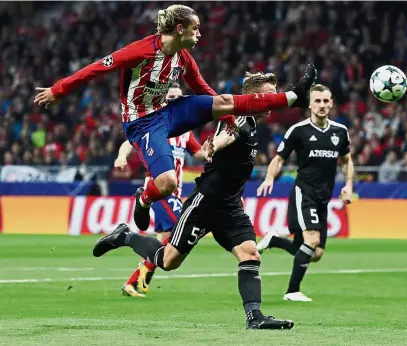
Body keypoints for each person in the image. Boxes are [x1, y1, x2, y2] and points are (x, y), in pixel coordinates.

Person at [33, 4, 317, 232]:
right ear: (180, 29)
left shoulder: (182, 56)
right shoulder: (140, 51)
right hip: (142, 121)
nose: (199, 35)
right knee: (167, 183)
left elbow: (201, 88)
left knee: (224, 100)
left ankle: (294, 96)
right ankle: (144, 200)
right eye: (196, 29)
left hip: (171, 111)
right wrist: (59, 89)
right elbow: (96, 69)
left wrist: (227, 115)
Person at [92, 72, 295, 330]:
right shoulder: (239, 119)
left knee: (250, 253)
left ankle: (254, 317)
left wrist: (209, 152)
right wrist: (215, 145)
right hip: (205, 203)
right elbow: (225, 137)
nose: (272, 101)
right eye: (268, 95)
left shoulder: (252, 126)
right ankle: (125, 236)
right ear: (253, 97)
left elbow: (210, 154)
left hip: (230, 206)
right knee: (168, 261)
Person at [256, 84, 355, 302]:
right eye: (317, 101)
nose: (321, 105)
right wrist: (270, 177)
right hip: (304, 192)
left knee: (316, 253)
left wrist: (348, 185)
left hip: (324, 197)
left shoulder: (340, 132)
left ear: (331, 104)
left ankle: (274, 240)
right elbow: (279, 158)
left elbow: (347, 160)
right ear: (310, 104)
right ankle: (292, 291)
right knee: (311, 240)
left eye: (325, 101)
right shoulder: (298, 130)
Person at [115, 84, 208, 297]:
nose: (174, 100)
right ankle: (134, 252)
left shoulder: (185, 131)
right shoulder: (155, 124)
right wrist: (121, 157)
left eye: (178, 97)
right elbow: (129, 142)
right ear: (163, 101)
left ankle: (132, 283)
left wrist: (212, 150)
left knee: (165, 242)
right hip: (158, 189)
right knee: (181, 228)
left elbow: (199, 153)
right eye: (170, 97)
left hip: (173, 192)